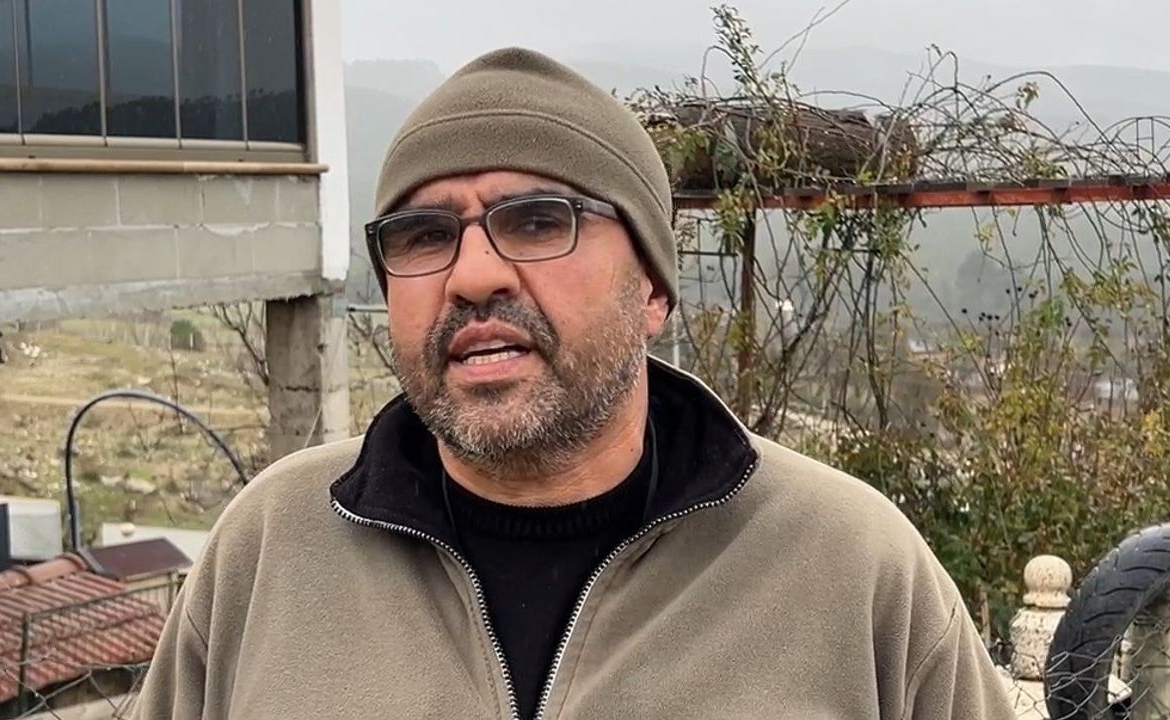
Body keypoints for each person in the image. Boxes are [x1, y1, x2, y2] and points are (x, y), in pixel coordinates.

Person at [132, 47, 1016, 719]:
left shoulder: (851, 569)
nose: (472, 275)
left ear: (654, 287)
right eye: (424, 235)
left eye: (536, 221)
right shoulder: (272, 550)